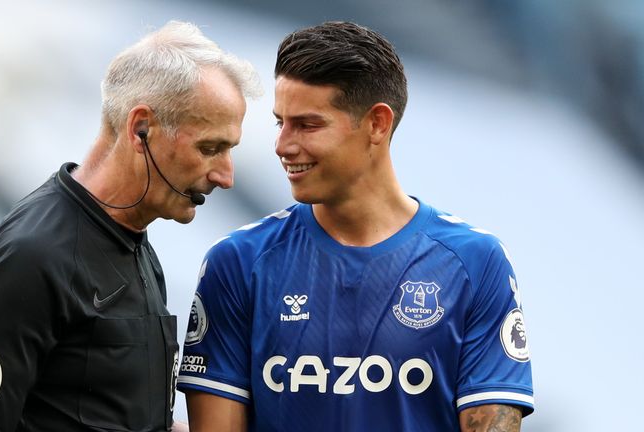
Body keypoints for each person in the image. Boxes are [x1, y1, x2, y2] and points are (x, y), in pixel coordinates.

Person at [177, 21, 533, 431]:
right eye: (280, 122)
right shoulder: (238, 262)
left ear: (378, 124)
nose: (282, 145)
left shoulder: (475, 262)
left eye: (307, 125)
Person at [0, 21, 261, 432]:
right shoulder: (32, 255)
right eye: (210, 148)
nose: (226, 176)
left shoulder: (134, 242)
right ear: (141, 129)